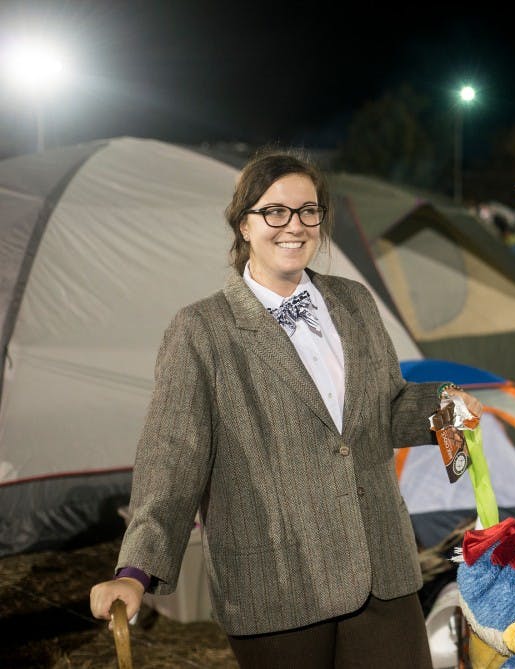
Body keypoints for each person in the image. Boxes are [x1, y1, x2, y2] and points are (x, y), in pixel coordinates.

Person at [89, 148, 482, 669]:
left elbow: (381, 410)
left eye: (308, 211)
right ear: (244, 224)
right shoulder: (201, 330)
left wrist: (444, 406)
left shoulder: (355, 302)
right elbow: (172, 460)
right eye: (275, 211)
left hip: (381, 571)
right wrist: (135, 571)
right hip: (277, 585)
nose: (294, 226)